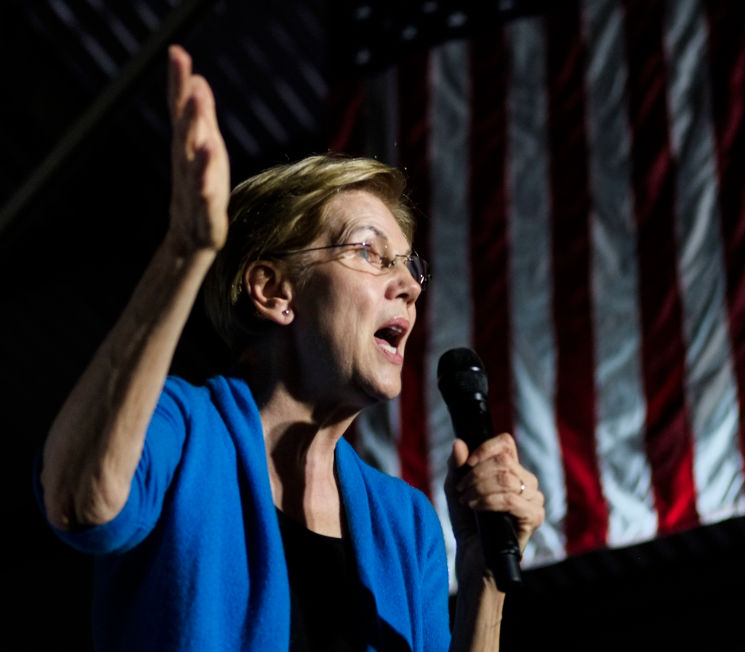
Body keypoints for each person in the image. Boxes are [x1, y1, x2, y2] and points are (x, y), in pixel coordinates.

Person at [36, 45, 544, 651]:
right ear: (274, 291)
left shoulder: (405, 525)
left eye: (410, 266)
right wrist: (185, 248)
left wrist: (485, 577)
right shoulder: (181, 429)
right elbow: (77, 501)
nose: (408, 285)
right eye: (367, 252)